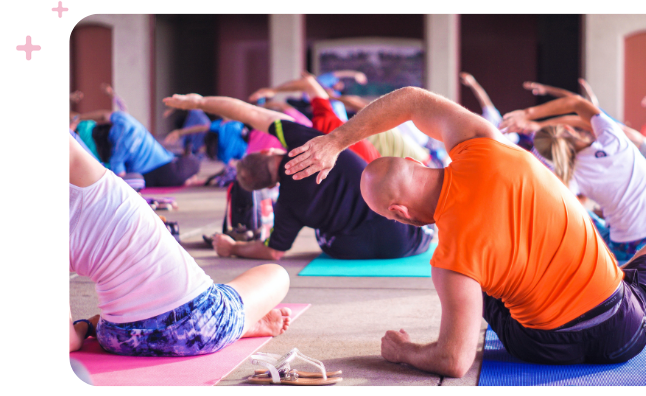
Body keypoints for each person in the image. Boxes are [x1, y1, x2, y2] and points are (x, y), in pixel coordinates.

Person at [281, 86, 646, 376]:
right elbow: (411, 99)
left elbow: (453, 362)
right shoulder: (482, 143)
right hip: (623, 329)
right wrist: (335, 141)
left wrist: (403, 351)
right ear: (418, 163)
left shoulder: (449, 264)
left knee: (477, 283)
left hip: (542, 349)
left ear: (399, 212)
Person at [69, 134, 292, 356]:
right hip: (198, 325)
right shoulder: (78, 166)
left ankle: (239, 322)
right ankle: (240, 323)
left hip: (119, 338)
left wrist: (84, 327)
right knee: (277, 274)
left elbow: (67, 340)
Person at [163, 93, 433, 261]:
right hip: (408, 236)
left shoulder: (287, 207)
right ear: (269, 149)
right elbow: (251, 112)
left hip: (356, 251)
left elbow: (272, 251)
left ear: (269, 186)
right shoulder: (303, 142)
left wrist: (233, 247)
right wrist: (199, 102)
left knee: (322, 235)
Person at [500, 95, 646, 263]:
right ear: (567, 129)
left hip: (624, 249)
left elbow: (562, 213)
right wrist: (529, 116)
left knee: (585, 215)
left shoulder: (571, 174)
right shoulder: (613, 137)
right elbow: (576, 102)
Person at [248, 73, 381, 163]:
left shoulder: (323, 124)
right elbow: (309, 83)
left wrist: (274, 92)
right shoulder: (326, 121)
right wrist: (274, 91)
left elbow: (309, 83)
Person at [78, 109, 203, 187]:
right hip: (159, 169)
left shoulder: (118, 153)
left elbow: (121, 178)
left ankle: (186, 178)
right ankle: (186, 179)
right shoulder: (124, 120)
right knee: (195, 163)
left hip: (160, 166)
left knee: (185, 160)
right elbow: (104, 115)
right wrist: (79, 118)